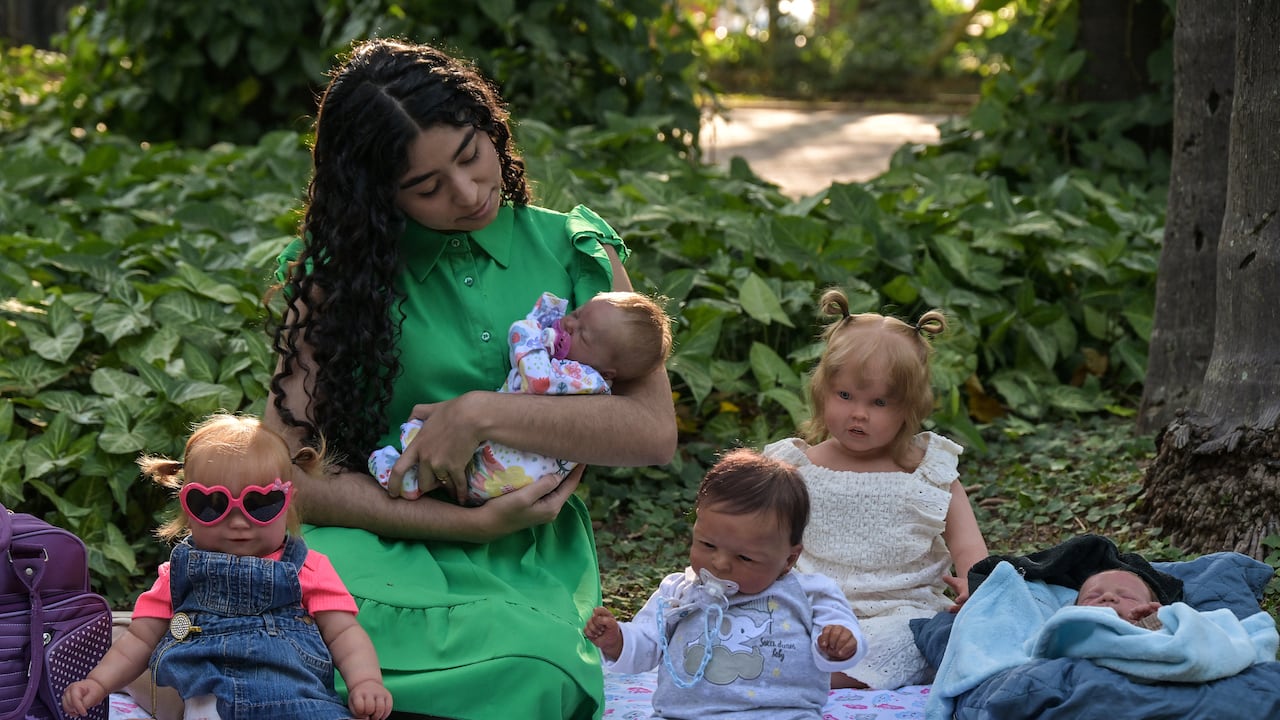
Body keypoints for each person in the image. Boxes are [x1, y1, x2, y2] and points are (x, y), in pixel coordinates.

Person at [261, 38, 677, 720]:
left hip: (521, 546)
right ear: (376, 194)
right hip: (374, 527)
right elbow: (282, 477)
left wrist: (481, 413)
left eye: (470, 156)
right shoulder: (336, 277)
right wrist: (456, 526)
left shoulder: (573, 249)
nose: (467, 192)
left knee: (530, 669)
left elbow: (653, 432)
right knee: (300, 622)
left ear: (491, 128)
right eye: (427, 187)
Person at [63, 414, 392, 720]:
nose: (238, 522)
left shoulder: (306, 568)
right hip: (211, 706)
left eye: (260, 503)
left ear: (287, 503)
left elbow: (344, 633)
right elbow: (138, 641)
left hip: (302, 705)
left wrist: (365, 682)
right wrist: (98, 683)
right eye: (212, 505)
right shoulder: (178, 575)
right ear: (187, 507)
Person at [762, 287, 988, 690]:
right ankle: (793, 663)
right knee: (754, 623)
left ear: (909, 407)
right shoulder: (796, 467)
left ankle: (817, 674)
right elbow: (758, 535)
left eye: (880, 403)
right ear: (821, 390)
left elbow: (967, 545)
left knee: (912, 640)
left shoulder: (928, 472)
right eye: (845, 395)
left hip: (900, 610)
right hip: (810, 605)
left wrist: (974, 583)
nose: (858, 413)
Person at [584, 448, 865, 720]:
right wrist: (617, 640)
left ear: (789, 559)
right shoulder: (679, 592)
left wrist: (839, 644)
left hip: (783, 713)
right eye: (707, 544)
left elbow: (842, 635)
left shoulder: (810, 593)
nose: (720, 563)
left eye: (744, 557)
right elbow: (646, 644)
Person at [369, 289, 672, 505]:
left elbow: (536, 379)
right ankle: (411, 472)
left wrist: (527, 329)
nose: (568, 324)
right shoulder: (574, 371)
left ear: (609, 370)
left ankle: (407, 479)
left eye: (583, 335)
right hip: (510, 471)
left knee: (444, 456)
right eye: (577, 314)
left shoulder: (584, 379)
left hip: (500, 472)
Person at [1074, 569, 1164, 629]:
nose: (1108, 596)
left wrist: (1156, 621)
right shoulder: (1066, 633)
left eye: (1127, 596)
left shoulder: (1149, 633)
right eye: (1092, 596)